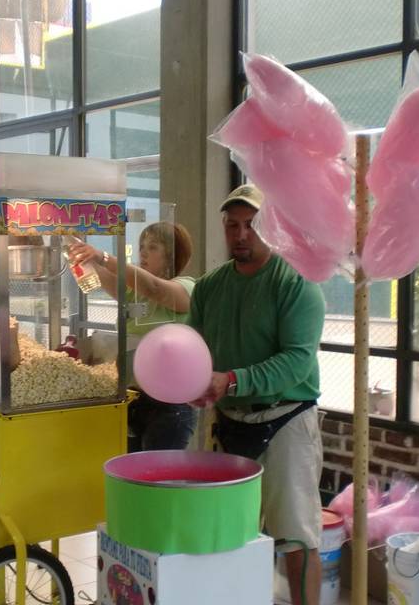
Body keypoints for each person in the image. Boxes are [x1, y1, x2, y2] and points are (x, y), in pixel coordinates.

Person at [188, 184, 326, 605]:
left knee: (296, 537)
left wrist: (231, 380)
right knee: (232, 532)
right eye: (233, 225)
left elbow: (297, 362)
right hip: (228, 422)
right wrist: (191, 381)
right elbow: (195, 350)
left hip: (287, 419)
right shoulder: (209, 288)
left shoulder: (296, 283)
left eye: (252, 224)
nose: (241, 233)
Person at [67, 222, 197, 451]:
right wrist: (73, 244)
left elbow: (154, 288)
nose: (143, 253)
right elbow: (104, 277)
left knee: (158, 478)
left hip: (169, 405)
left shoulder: (185, 287)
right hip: (133, 398)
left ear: (172, 255)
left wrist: (103, 257)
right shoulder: (134, 291)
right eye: (142, 246)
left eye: (153, 247)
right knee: (132, 473)